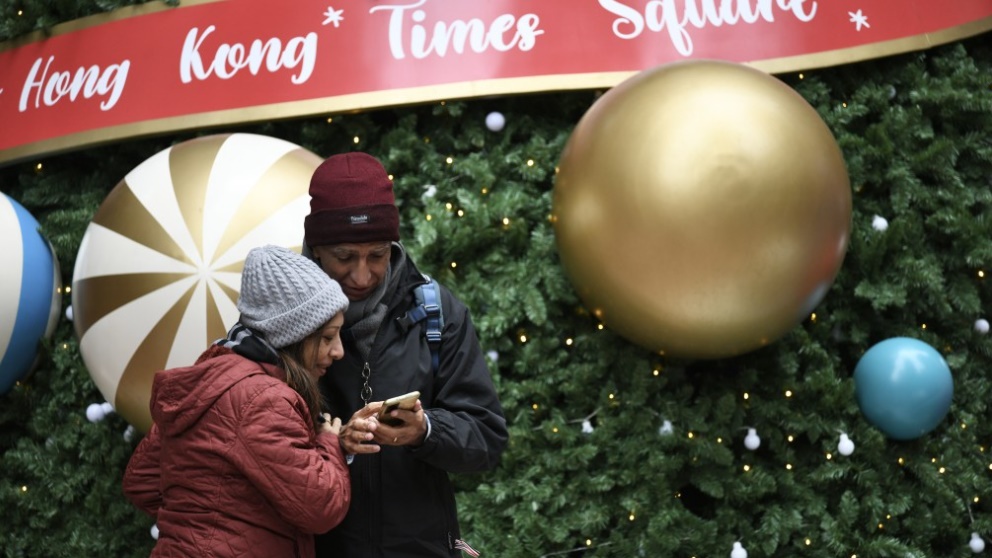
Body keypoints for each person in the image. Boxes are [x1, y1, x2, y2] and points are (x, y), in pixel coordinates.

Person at [303, 152, 508, 557]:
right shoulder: (282, 323)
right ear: (316, 249)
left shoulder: (439, 312)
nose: (361, 275)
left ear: (393, 245)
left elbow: (487, 436)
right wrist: (336, 445)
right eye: (344, 257)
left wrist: (426, 431)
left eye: (377, 255)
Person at [123, 245, 353, 557]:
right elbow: (321, 506)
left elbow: (142, 481)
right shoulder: (264, 401)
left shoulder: (211, 380)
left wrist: (209, 519)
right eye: (327, 337)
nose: (338, 351)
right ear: (293, 338)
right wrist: (329, 443)